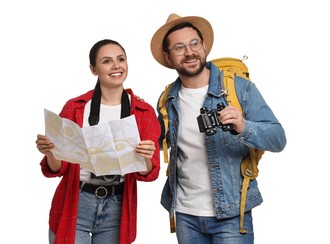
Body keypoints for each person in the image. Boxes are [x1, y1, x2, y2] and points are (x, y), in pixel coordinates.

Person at [150, 13, 287, 244]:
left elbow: (278, 138)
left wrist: (244, 126)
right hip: (185, 214)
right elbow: (157, 145)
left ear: (204, 46)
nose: (190, 52)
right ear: (168, 57)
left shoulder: (238, 88)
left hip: (231, 214)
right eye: (179, 47)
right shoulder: (167, 99)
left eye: (194, 43)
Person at [36, 39, 161, 244]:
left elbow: (148, 173)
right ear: (93, 69)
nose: (116, 66)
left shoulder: (143, 112)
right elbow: (58, 168)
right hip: (77, 200)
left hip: (117, 206)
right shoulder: (75, 107)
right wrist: (50, 151)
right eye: (106, 61)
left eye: (121, 59)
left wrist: (146, 157)